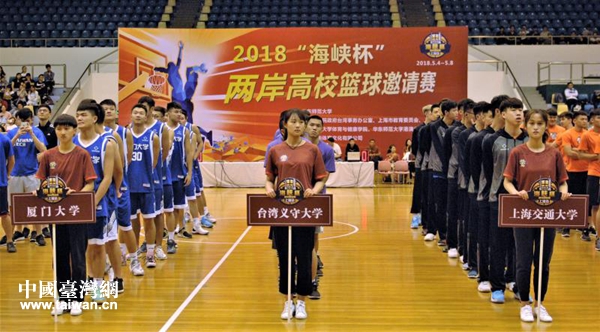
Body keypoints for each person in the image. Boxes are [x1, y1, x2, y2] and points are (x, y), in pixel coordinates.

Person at [502, 109, 570, 323]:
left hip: (547, 215)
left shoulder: (554, 153)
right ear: (526, 126)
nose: (535, 127)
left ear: (545, 127)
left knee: (543, 261)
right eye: (532, 123)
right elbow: (507, 181)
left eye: (540, 123)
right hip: (523, 214)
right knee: (523, 261)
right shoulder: (517, 153)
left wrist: (564, 190)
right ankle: (524, 303)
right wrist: (516, 193)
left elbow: (562, 180)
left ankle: (540, 303)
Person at [266, 109, 328, 320]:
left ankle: (301, 301)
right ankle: (287, 301)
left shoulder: (312, 150)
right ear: (284, 125)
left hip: (305, 211)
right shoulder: (275, 150)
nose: (298, 126)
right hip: (282, 212)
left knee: (304, 255)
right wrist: (268, 187)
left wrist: (315, 190)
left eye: (301, 122)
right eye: (293, 122)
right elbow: (269, 177)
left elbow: (321, 177)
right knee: (284, 257)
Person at [39, 114, 97, 316]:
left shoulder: (82, 155)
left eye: (66, 128)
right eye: (59, 129)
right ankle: (63, 299)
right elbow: (42, 183)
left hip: (77, 214)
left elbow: (90, 183)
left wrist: (77, 195)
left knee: (78, 258)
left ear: (74, 131)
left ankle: (77, 300)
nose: (62, 132)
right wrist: (38, 193)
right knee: (60, 258)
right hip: (56, 216)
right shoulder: (48, 156)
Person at [482, 97, 527, 304]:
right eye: (513, 109)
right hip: (498, 198)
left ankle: (519, 285)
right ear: (502, 114)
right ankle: (497, 287)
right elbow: (486, 170)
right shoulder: (491, 140)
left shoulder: (531, 140)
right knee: (498, 244)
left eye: (520, 109)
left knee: (521, 246)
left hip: (526, 200)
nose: (518, 113)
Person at [73, 101, 115, 301]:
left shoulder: (106, 143)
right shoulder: (71, 142)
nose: (79, 118)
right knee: (78, 248)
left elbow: (107, 177)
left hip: (97, 204)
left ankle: (98, 285)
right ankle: (82, 283)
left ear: (95, 118)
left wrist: (92, 202)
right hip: (73, 205)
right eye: (78, 114)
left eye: (84, 115)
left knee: (97, 246)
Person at [463, 100, 496, 285]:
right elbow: (471, 167)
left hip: (500, 194)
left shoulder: (502, 138)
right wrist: (479, 187)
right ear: (481, 117)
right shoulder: (475, 138)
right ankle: (477, 267)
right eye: (489, 116)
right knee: (478, 232)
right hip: (480, 192)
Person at [305, 115, 335, 300]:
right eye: (312, 125)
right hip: (298, 198)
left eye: (318, 126)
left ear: (322, 129)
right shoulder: (299, 146)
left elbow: (325, 175)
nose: (314, 128)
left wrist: (315, 190)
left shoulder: (326, 150)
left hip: (317, 198)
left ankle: (313, 270)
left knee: (315, 235)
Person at [7, 108, 47, 245]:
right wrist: (17, 135)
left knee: (35, 204)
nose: (24, 123)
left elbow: (43, 150)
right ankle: (12, 234)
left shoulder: (36, 132)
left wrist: (32, 135)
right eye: (22, 120)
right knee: (13, 206)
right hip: (14, 174)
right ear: (17, 120)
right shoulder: (12, 133)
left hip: (32, 174)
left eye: (27, 120)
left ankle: (39, 233)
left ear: (31, 120)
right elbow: (6, 150)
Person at [127, 103, 160, 268]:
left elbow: (154, 161)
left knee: (149, 221)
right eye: (135, 112)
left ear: (147, 116)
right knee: (133, 222)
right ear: (131, 115)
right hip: (129, 186)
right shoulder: (125, 135)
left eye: (141, 113)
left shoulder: (153, 136)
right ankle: (133, 254)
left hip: (147, 185)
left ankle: (150, 253)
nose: (138, 115)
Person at [444, 98, 474, 258]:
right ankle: (453, 245)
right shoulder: (455, 132)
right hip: (454, 176)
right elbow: (447, 155)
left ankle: (465, 248)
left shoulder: (476, 132)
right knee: (454, 212)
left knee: (466, 214)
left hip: (469, 180)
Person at [427, 100, 458, 246]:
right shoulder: (434, 127)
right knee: (440, 203)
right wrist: (445, 164)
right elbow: (439, 147)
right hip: (439, 169)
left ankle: (453, 235)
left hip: (454, 171)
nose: (457, 113)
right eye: (454, 110)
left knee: (451, 206)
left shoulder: (458, 127)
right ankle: (442, 235)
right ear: (446, 112)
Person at [165, 102, 194, 240]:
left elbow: (189, 153)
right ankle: (166, 229)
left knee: (180, 204)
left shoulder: (184, 131)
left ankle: (181, 227)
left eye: (180, 112)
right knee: (165, 206)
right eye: (175, 112)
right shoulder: (162, 130)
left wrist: (189, 172)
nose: (178, 114)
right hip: (164, 173)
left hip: (179, 172)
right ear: (168, 113)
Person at [560, 111, 589, 238]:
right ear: (574, 120)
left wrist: (577, 151)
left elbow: (594, 153)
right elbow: (568, 152)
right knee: (569, 198)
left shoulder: (588, 134)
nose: (585, 121)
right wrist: (584, 153)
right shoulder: (567, 134)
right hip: (571, 170)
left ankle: (584, 227)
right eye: (582, 119)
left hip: (587, 171)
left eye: (586, 119)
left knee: (585, 199)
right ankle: (566, 226)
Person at [578, 109, 600, 245]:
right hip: (595, 173)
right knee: (596, 205)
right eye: (598, 117)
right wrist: (595, 157)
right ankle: (597, 236)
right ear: (592, 120)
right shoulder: (587, 135)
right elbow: (581, 155)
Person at [0, 129, 15, 252]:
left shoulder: (5, 140)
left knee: (4, 213)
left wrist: (6, 175)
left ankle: (10, 241)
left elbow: (11, 160)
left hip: (1, 183)